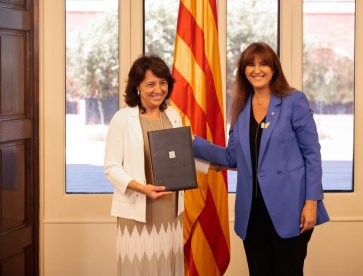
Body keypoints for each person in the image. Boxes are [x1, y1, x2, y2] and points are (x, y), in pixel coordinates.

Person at [192, 42, 330, 276]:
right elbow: (232, 157)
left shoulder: (294, 101)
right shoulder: (241, 107)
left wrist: (311, 202)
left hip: (292, 207)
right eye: (251, 64)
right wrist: (191, 141)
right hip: (252, 211)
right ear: (244, 71)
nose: (257, 69)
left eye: (263, 63)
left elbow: (312, 154)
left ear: (274, 69)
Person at [104, 55, 208, 275]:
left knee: (167, 268)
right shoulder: (122, 119)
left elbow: (182, 155)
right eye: (150, 84)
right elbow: (112, 168)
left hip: (169, 212)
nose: (158, 90)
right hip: (137, 211)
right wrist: (141, 188)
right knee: (139, 268)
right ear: (137, 87)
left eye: (163, 83)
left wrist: (219, 164)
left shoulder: (173, 115)